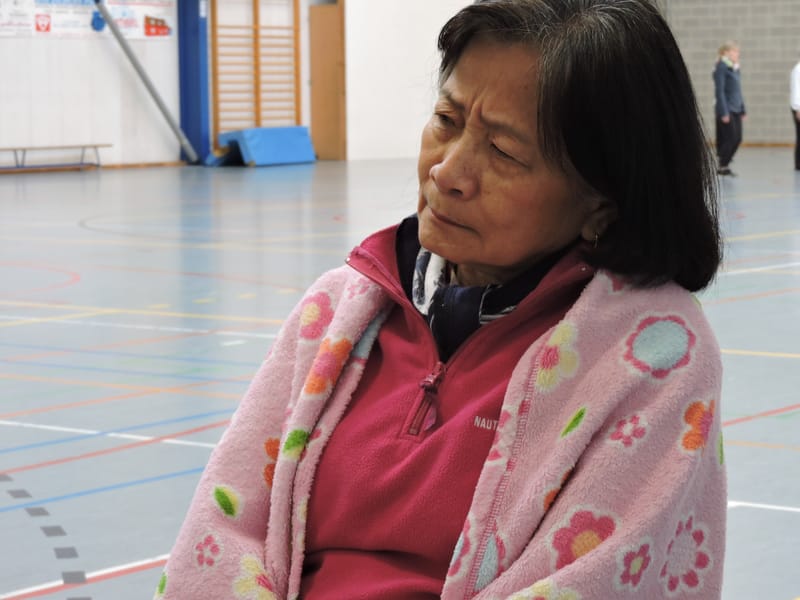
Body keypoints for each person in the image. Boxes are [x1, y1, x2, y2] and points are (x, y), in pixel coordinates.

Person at [156, 1, 726, 598]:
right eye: (447, 120)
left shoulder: (651, 355)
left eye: (504, 152)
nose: (448, 171)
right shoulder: (337, 312)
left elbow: (597, 580)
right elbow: (225, 523)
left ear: (600, 204)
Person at [713, 41, 746, 176]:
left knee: (738, 138)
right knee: (730, 138)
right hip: (727, 108)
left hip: (737, 108)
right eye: (735, 51)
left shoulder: (734, 68)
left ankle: (725, 164)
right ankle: (722, 165)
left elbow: (738, 91)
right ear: (725, 53)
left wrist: (743, 109)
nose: (737, 54)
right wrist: (723, 111)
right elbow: (719, 91)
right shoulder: (722, 67)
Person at [790, 57, 800, 170]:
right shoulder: (798, 70)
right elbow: (796, 90)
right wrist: (798, 108)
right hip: (798, 107)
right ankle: (798, 164)